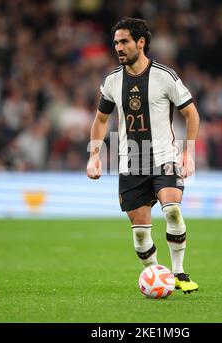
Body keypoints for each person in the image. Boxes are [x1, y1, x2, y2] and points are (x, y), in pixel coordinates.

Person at [87, 17, 200, 294]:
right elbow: (101, 120)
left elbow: (191, 114)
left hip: (164, 157)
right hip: (131, 161)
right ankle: (155, 276)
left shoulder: (165, 76)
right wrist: (94, 155)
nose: (119, 48)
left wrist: (189, 153)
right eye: (116, 43)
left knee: (172, 211)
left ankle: (179, 273)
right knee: (140, 234)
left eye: (124, 41)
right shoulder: (113, 81)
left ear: (141, 42)